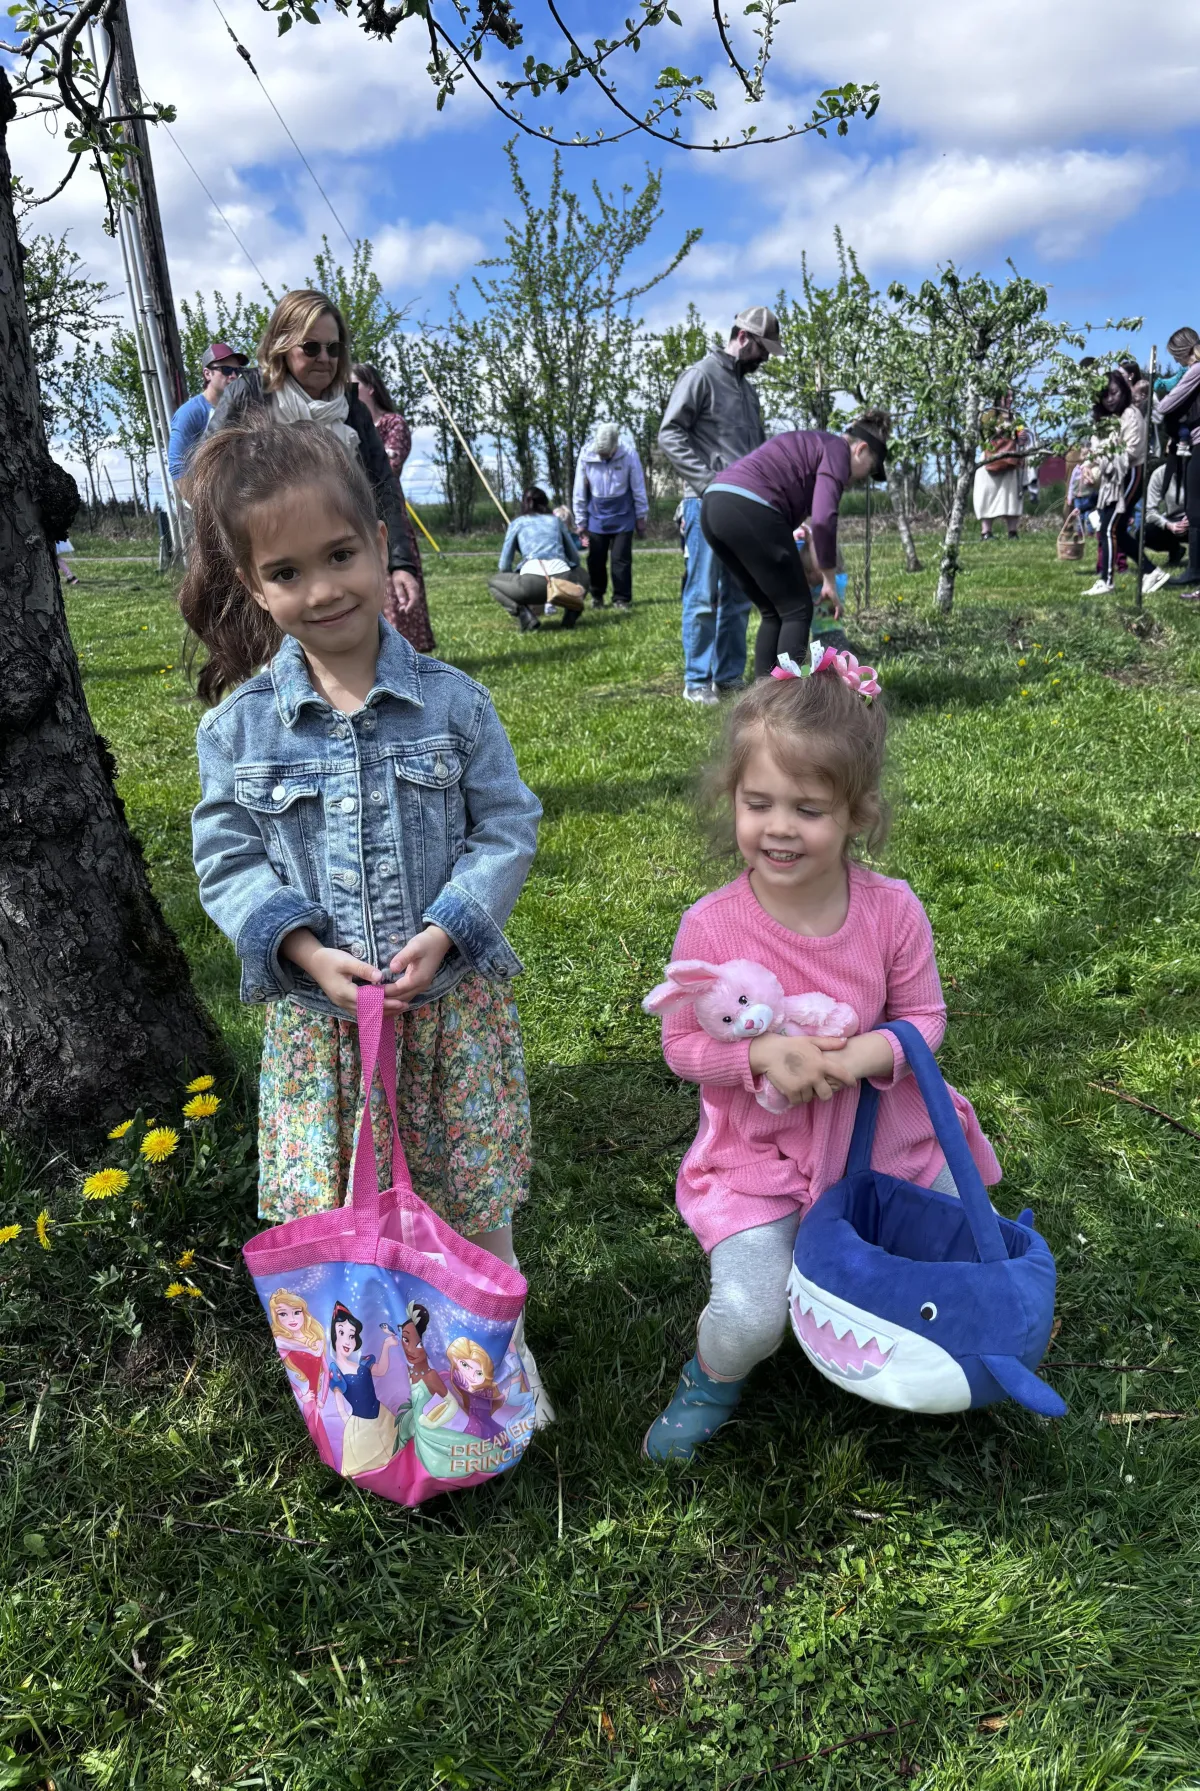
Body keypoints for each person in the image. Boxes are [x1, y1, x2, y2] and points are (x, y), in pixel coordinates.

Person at [181, 419, 553, 1426]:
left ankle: (492, 1385)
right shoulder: (239, 729)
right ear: (255, 587)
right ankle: (372, 1395)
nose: (324, 590)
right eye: (288, 571)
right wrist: (298, 945)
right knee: (339, 1220)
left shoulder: (453, 706)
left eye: (341, 555)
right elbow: (224, 853)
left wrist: (454, 924)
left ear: (383, 542)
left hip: (445, 1017)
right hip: (323, 1033)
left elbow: (506, 822)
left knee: (471, 1204)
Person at [643, 651, 1000, 1463]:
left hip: (883, 1140)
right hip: (761, 1158)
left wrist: (861, 1055)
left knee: (956, 1255)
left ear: (857, 813)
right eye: (756, 802)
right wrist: (762, 1054)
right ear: (730, 799)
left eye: (807, 808)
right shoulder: (712, 925)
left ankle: (923, 1343)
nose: (777, 827)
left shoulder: (892, 911)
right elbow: (681, 1043)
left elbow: (925, 1018)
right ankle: (712, 1375)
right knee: (750, 1314)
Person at [210, 289, 421, 622]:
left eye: (333, 348)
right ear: (282, 344)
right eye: (311, 347)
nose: (324, 357)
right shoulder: (250, 394)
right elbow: (211, 476)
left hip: (345, 559)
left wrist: (400, 564)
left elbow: (384, 488)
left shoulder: (353, 409)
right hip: (277, 568)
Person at [699, 412, 889, 681]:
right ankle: (788, 708)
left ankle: (763, 705)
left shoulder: (813, 444)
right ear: (861, 449)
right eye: (868, 470)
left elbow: (810, 519)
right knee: (798, 610)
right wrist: (828, 579)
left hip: (714, 506)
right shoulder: (836, 450)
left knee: (773, 610)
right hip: (751, 506)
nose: (859, 479)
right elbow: (824, 519)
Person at [658, 306, 780, 705]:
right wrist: (710, 484)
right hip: (706, 503)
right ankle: (696, 682)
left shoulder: (748, 390)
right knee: (703, 594)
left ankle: (728, 679)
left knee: (739, 597)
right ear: (743, 337)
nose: (765, 358)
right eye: (763, 349)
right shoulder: (700, 376)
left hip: (746, 507)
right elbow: (670, 434)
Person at [350, 362, 437, 655]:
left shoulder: (392, 423)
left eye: (353, 383)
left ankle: (406, 657)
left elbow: (390, 464)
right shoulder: (348, 423)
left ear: (370, 388)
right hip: (354, 515)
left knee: (396, 592)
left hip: (387, 514)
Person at [1084, 368, 1150, 597]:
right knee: (1118, 530)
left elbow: (1131, 451)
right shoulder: (1103, 422)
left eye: (1114, 392)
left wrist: (1099, 462)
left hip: (1131, 475)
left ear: (1123, 389)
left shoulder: (1131, 414)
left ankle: (1107, 581)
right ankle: (1151, 572)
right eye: (1105, 395)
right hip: (1112, 479)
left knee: (1109, 527)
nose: (1111, 399)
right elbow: (1094, 450)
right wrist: (1088, 469)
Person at [488, 487, 590, 632]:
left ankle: (524, 615)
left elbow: (504, 565)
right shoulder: (556, 521)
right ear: (545, 503)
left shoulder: (517, 523)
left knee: (493, 583)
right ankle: (571, 611)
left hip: (530, 586)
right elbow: (575, 558)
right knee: (583, 575)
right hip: (563, 581)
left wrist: (516, 577)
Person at [571, 422, 648, 610]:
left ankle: (622, 598)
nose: (603, 456)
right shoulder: (586, 454)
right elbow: (579, 489)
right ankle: (597, 595)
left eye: (607, 453)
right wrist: (581, 521)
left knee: (620, 559)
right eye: (601, 453)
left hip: (624, 514)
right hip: (596, 515)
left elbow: (638, 487)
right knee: (595, 558)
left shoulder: (629, 454)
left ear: (616, 445)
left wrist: (641, 517)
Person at [1154, 326, 1200, 591]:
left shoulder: (1196, 370)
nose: (1175, 362)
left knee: (1195, 508)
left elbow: (1166, 405)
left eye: (1176, 356)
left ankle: (1195, 570)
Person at [168, 343, 249, 487]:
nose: (234, 376)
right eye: (226, 370)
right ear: (207, 374)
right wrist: (200, 507)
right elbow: (178, 467)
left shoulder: (246, 408)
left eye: (238, 370)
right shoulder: (190, 413)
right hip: (212, 500)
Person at [973, 406, 1031, 541]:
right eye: (1006, 396)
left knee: (1011, 497)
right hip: (989, 460)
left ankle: (1012, 532)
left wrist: (1021, 436)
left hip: (1010, 460)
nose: (1009, 400)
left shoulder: (1016, 418)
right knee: (986, 495)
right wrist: (997, 430)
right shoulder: (989, 415)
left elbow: (1022, 439)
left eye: (1011, 396)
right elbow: (981, 433)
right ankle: (986, 532)